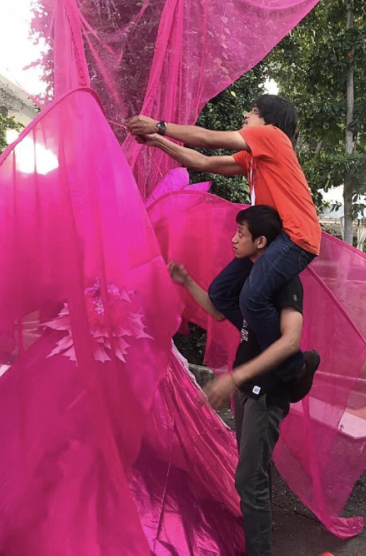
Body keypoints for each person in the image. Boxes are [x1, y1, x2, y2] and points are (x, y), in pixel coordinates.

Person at [128, 95, 319, 386]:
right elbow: (203, 161)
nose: (246, 115)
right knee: (221, 293)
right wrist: (157, 141)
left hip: (295, 237)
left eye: (253, 112)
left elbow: (207, 138)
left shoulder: (272, 136)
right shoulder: (255, 157)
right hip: (270, 242)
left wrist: (159, 125)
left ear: (269, 120)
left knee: (253, 297)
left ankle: (292, 368)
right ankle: (264, 341)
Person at [168, 205, 316, 556]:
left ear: (261, 241)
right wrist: (187, 281)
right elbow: (219, 311)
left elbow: (291, 339)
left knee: (249, 480)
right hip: (246, 391)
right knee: (254, 474)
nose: (233, 240)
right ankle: (256, 534)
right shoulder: (250, 279)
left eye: (241, 234)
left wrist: (234, 378)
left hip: (268, 391)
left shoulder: (284, 281)